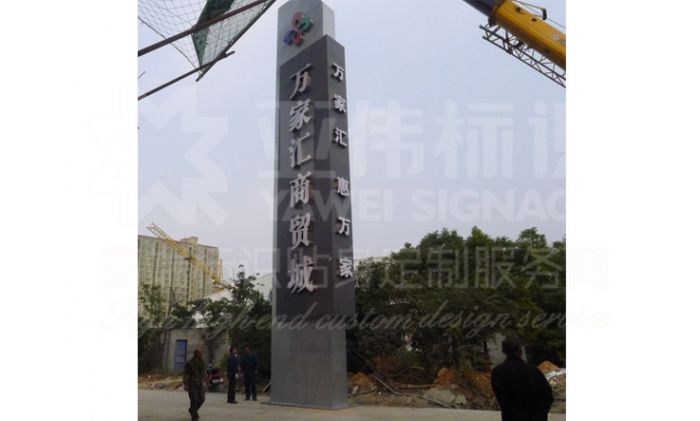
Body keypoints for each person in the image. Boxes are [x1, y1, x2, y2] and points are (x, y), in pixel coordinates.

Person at [490, 337, 553, 421]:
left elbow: (502, 399)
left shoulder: (497, 373)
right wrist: (541, 415)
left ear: (503, 351)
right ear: (520, 351)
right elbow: (547, 395)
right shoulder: (533, 371)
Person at [183, 348, 209, 421]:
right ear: (195, 354)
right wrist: (185, 384)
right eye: (199, 353)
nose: (201, 354)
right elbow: (186, 374)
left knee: (202, 399)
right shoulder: (189, 363)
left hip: (200, 383)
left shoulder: (202, 362)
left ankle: (192, 410)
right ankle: (194, 416)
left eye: (201, 353)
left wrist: (206, 379)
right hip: (192, 383)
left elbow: (204, 372)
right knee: (194, 399)